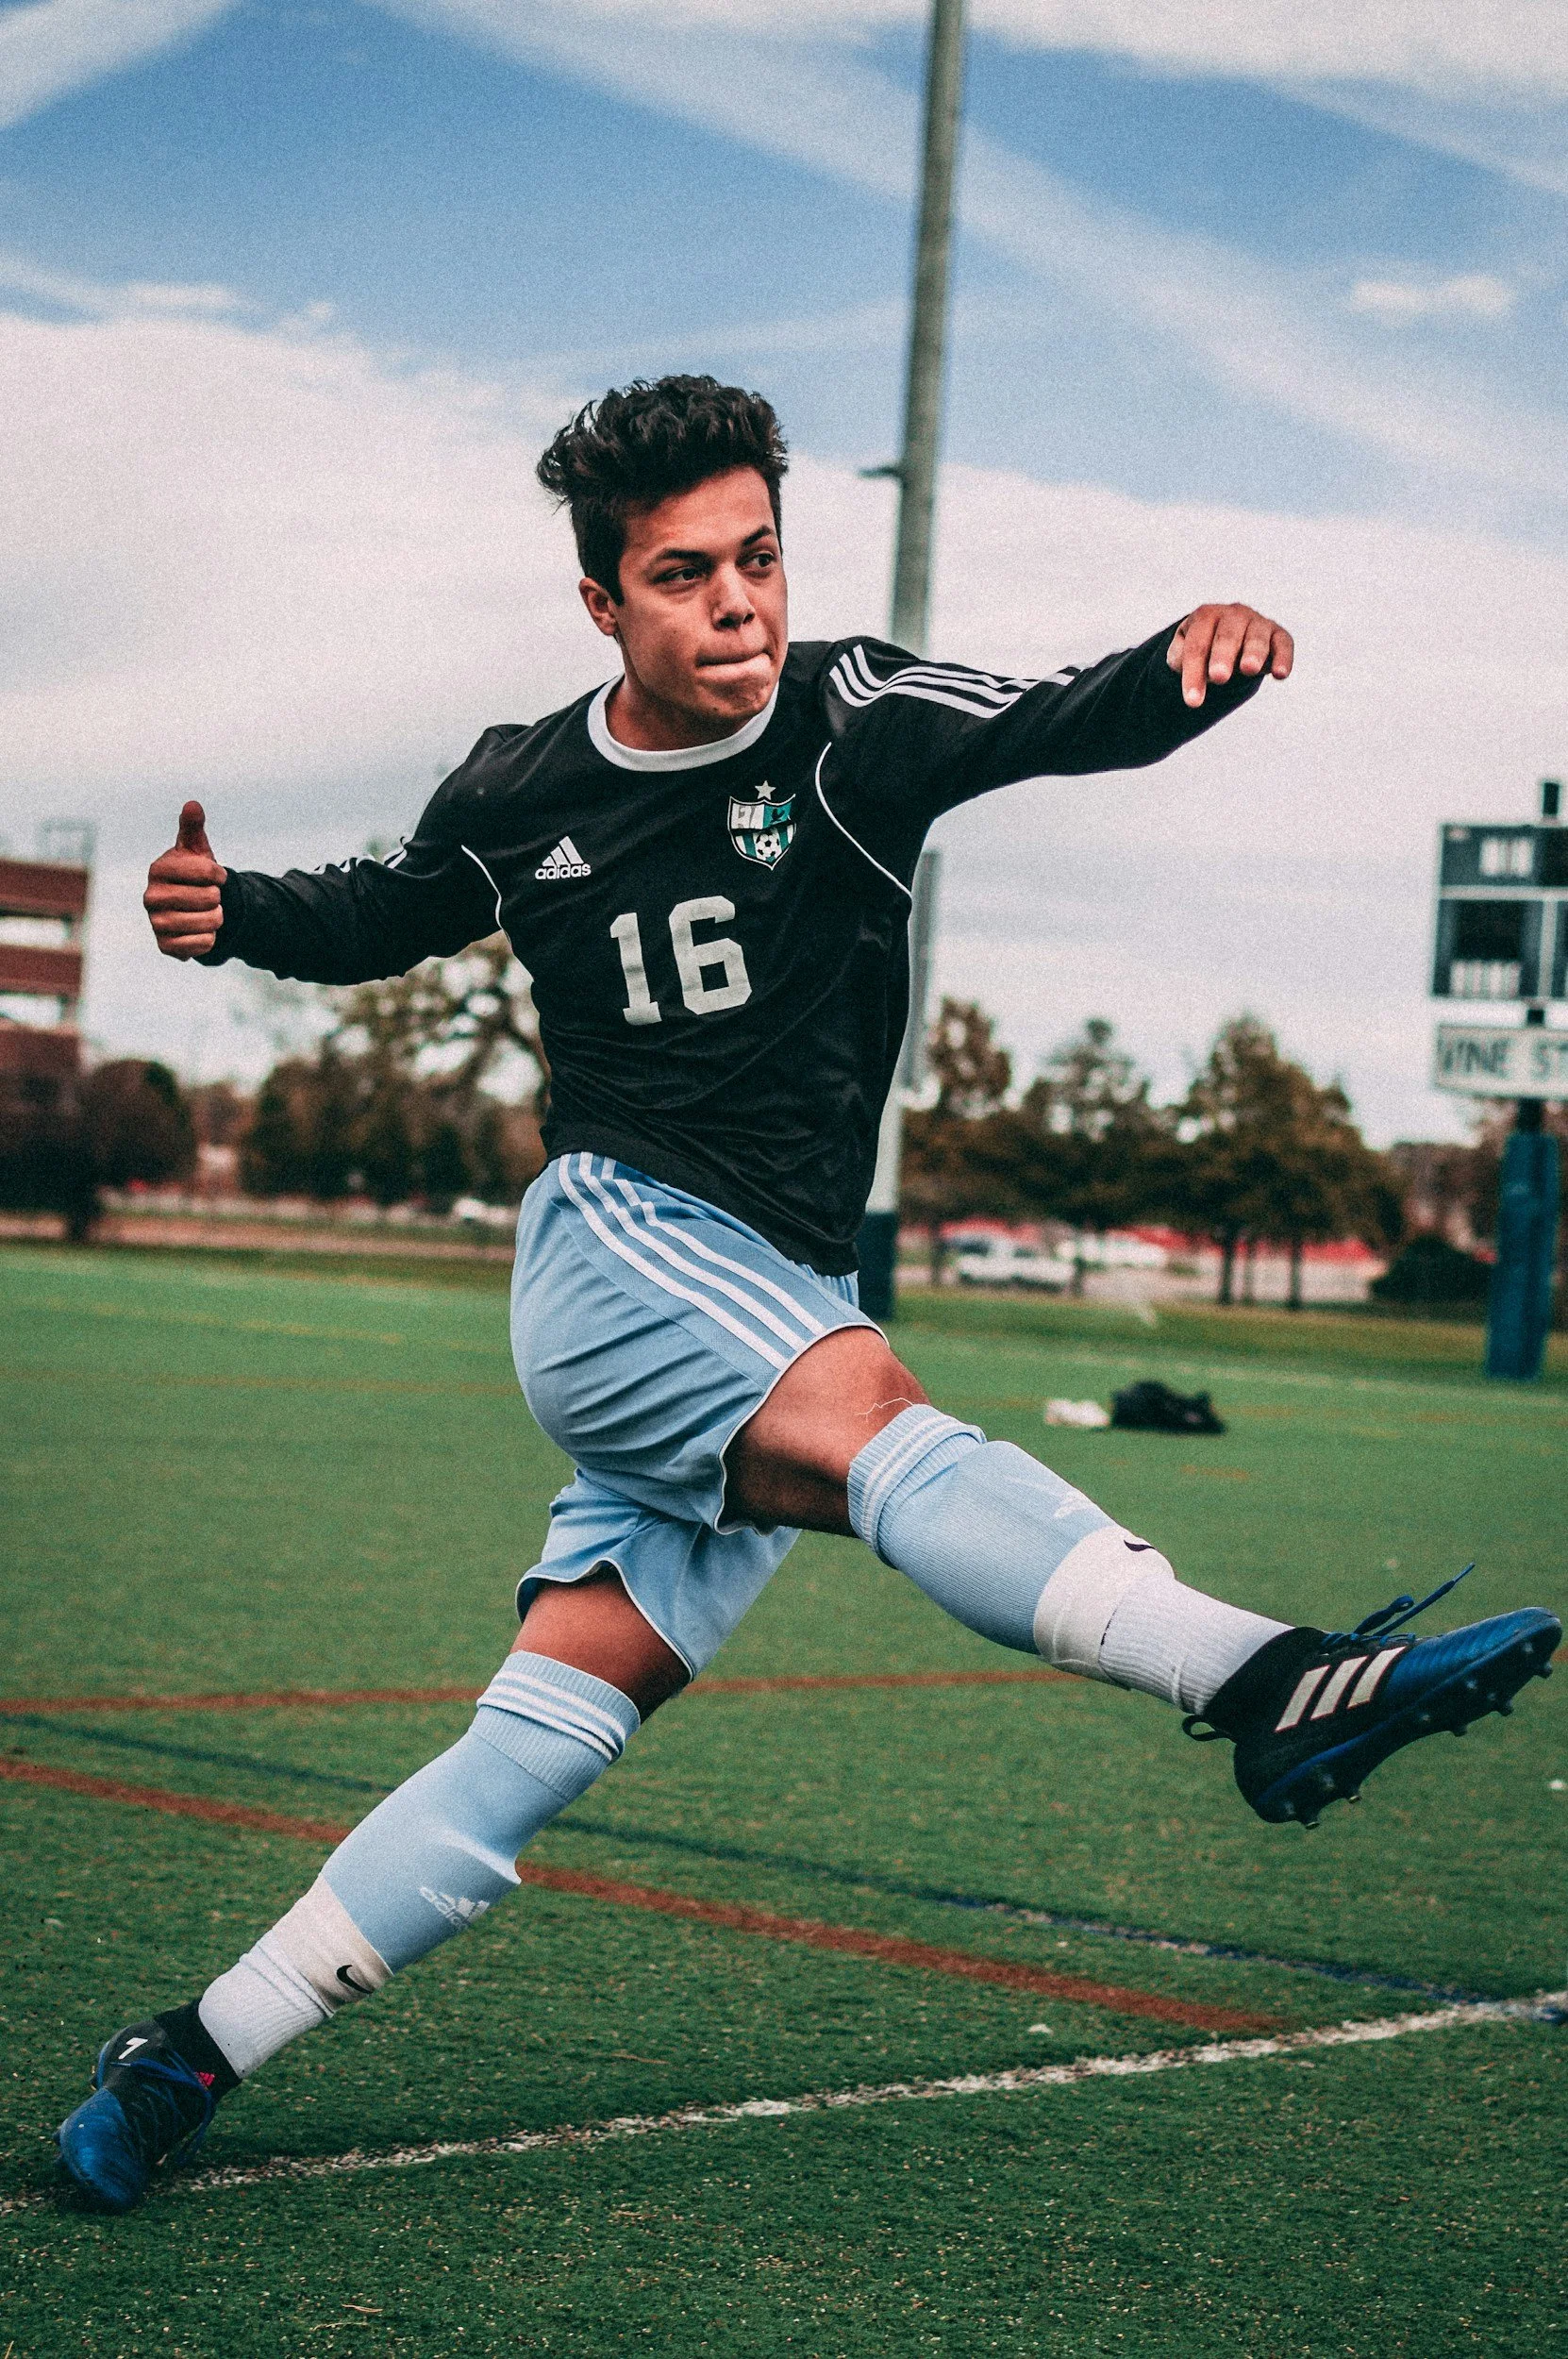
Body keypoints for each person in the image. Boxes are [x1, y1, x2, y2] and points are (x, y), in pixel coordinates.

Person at [59, 376, 1559, 2212]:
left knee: (531, 1747)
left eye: (761, 558)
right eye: (686, 575)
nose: (741, 605)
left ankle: (191, 2045)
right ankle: (1272, 1680)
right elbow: (387, 907)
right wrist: (237, 906)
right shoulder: (523, 781)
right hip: (619, 1255)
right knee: (883, 1422)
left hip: (764, 1295)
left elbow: (1057, 715)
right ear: (603, 604)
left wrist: (1192, 656)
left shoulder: (852, 721)